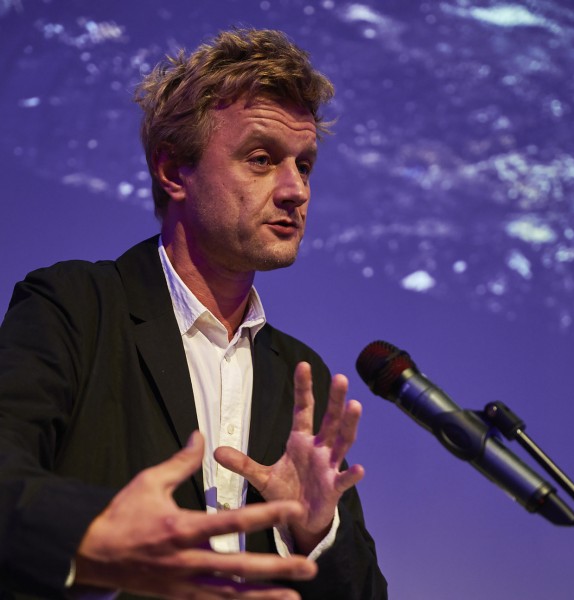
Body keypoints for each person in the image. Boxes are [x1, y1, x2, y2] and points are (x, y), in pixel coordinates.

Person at [0, 28, 387, 600]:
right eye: (262, 159)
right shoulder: (76, 308)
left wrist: (314, 533)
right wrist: (91, 535)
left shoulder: (298, 375)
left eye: (304, 165)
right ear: (173, 170)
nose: (296, 190)